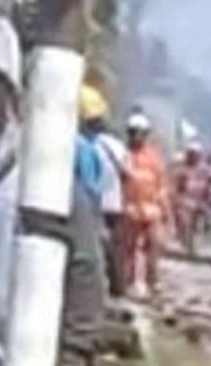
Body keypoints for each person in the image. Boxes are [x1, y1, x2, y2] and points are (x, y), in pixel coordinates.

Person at [79, 85, 126, 295]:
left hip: (91, 204)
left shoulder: (81, 145)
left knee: (92, 248)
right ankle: (116, 287)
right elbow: (126, 172)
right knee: (111, 246)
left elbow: (88, 181)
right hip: (112, 202)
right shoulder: (114, 145)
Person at [120, 110, 169, 298]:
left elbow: (162, 185)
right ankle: (130, 282)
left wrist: (166, 214)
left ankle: (152, 281)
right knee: (130, 249)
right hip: (130, 209)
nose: (136, 136)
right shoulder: (124, 154)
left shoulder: (154, 158)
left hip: (151, 210)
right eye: (133, 132)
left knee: (153, 247)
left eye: (139, 132)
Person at [172, 141, 211, 251]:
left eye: (195, 154)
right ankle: (186, 241)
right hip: (186, 200)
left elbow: (209, 183)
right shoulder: (182, 169)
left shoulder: (204, 169)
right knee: (185, 221)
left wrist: (208, 196)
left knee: (198, 223)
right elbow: (177, 186)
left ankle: (194, 242)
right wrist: (177, 199)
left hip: (199, 200)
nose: (193, 156)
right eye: (191, 154)